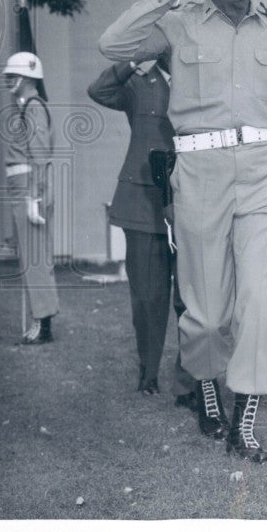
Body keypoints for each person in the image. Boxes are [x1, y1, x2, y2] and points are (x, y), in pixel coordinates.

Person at [99, 0, 267, 463]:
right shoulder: (178, 23)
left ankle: (243, 421)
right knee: (206, 312)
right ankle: (205, 389)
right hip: (199, 173)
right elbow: (113, 42)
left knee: (262, 303)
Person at [87, 58, 196, 404]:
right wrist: (132, 59)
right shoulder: (138, 82)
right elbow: (99, 90)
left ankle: (190, 381)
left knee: (192, 298)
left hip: (192, 198)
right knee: (148, 297)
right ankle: (148, 373)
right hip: (142, 199)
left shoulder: (200, 77)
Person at [2, 52, 59, 345]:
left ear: (26, 78)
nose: (8, 81)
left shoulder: (33, 108)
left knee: (35, 259)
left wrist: (33, 198)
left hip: (29, 188)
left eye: (12, 76)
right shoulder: (27, 107)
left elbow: (38, 155)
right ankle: (42, 318)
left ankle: (42, 323)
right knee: (34, 257)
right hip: (25, 186)